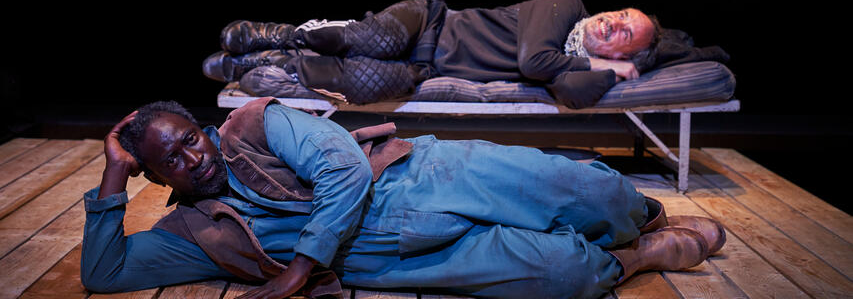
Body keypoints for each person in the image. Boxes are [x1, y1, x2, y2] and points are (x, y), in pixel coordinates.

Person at [81, 98, 726, 299]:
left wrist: (300, 267)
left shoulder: (254, 124)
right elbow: (104, 273)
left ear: (203, 129)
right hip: (395, 254)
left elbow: (342, 168)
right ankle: (637, 258)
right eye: (171, 160)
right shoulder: (195, 233)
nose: (194, 157)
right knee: (562, 276)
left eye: (191, 139)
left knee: (593, 190)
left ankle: (640, 218)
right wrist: (113, 174)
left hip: (421, 177)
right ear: (155, 178)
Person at [202, 0, 662, 108]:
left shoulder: (574, 65)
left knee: (366, 83)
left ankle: (273, 63)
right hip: (430, 23)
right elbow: (533, 62)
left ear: (621, 55)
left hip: (426, 69)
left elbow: (573, 94)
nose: (615, 23)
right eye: (623, 14)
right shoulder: (568, 5)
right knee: (372, 38)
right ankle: (279, 34)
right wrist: (594, 61)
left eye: (626, 34)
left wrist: (607, 70)